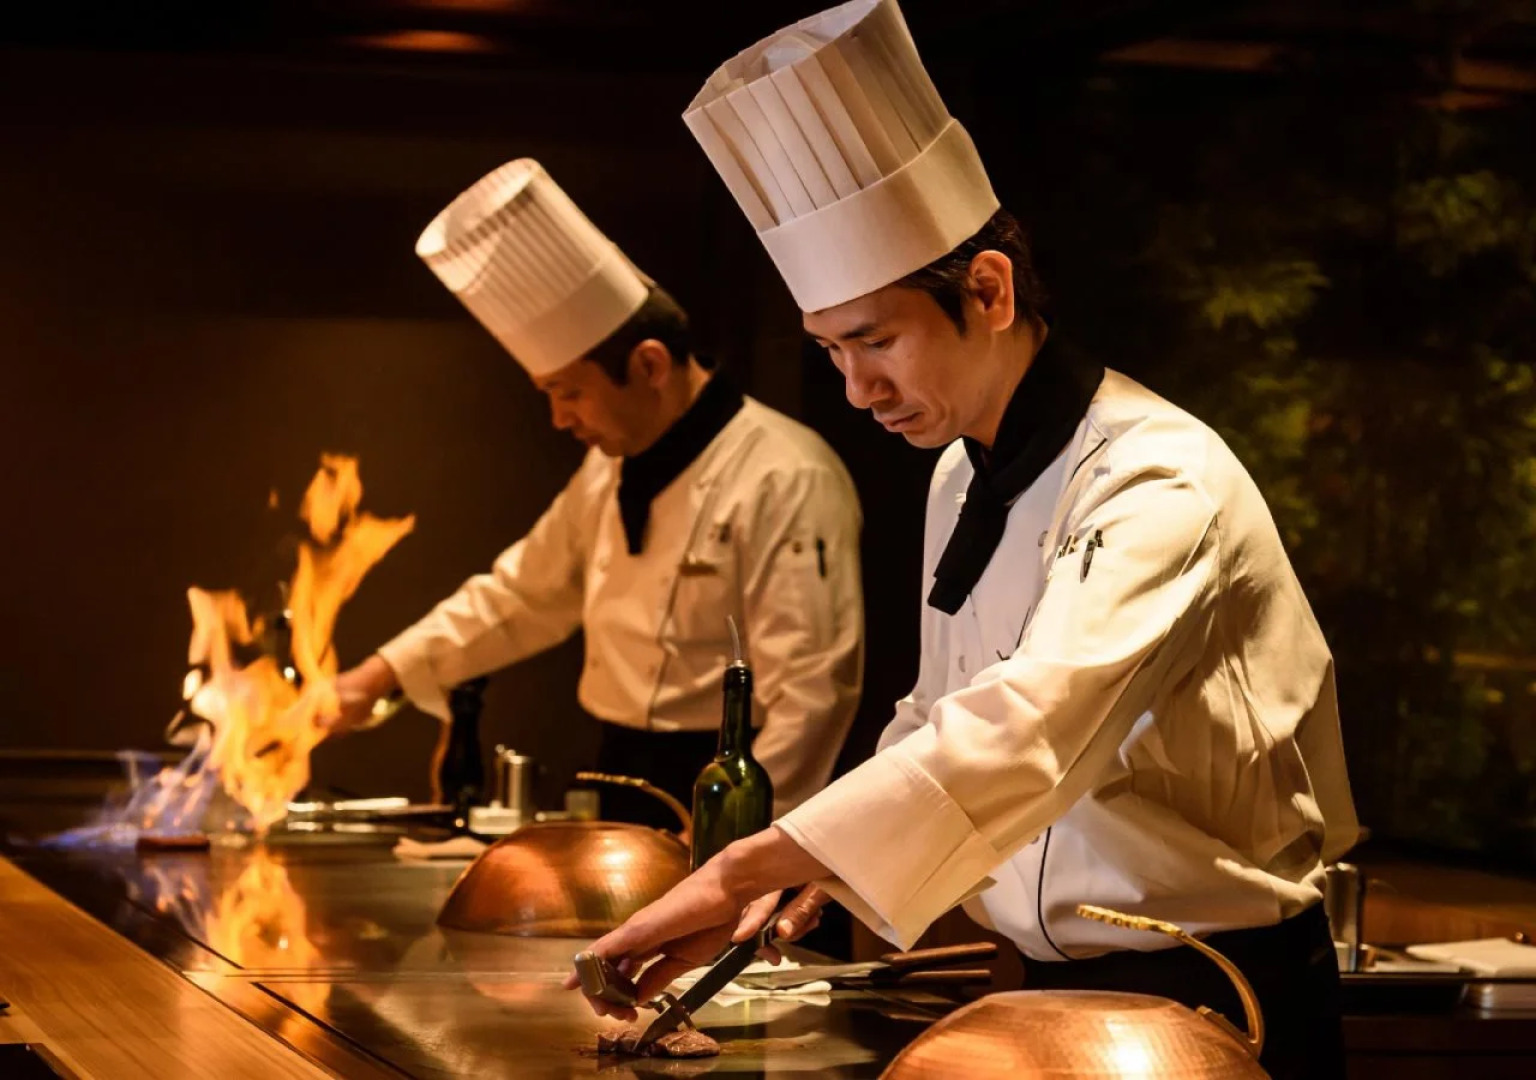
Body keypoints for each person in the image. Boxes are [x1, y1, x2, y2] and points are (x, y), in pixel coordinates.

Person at [569, 4, 1359, 1076]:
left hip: (1213, 995)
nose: (857, 390)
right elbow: (937, 714)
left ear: (986, 290)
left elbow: (1028, 723)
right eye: (831, 351)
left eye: (875, 340)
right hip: (1045, 992)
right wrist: (823, 870)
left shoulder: (1160, 479)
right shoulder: (958, 469)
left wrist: (757, 858)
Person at [327, 159, 864, 822]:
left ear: (649, 366)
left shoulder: (785, 477)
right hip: (616, 774)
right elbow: (523, 595)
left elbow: (813, 698)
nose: (559, 419)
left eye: (569, 392)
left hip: (730, 786)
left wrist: (736, 854)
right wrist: (372, 680)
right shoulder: (609, 466)